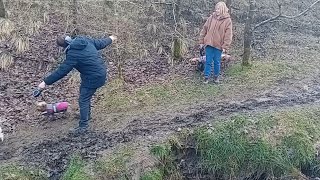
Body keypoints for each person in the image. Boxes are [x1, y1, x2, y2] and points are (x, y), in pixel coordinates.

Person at [38, 34, 117, 134]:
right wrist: (110, 38)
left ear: (63, 46)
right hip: (99, 73)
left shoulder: (72, 54)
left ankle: (83, 126)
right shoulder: (85, 40)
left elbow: (61, 71)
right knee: (84, 96)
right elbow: (101, 43)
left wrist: (45, 82)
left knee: (83, 99)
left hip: (93, 77)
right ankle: (86, 116)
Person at [199, 1, 233, 84]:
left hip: (219, 45)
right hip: (209, 44)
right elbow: (204, 29)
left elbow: (228, 35)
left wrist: (225, 46)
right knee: (208, 61)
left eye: (218, 9)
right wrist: (201, 41)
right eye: (216, 9)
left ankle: (216, 77)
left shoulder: (227, 20)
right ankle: (206, 77)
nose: (216, 10)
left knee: (217, 62)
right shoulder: (211, 18)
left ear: (222, 9)